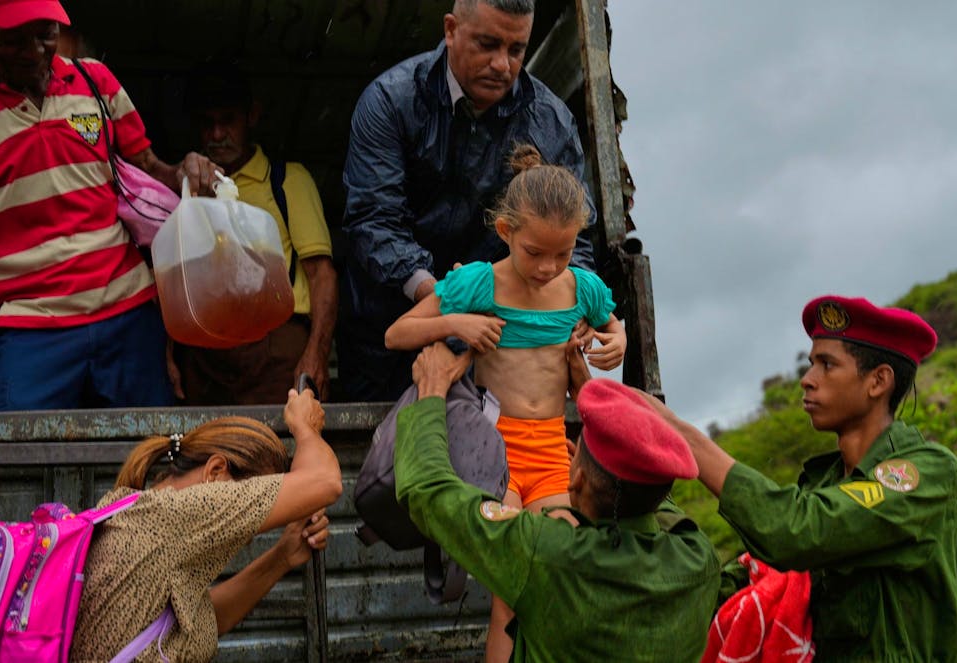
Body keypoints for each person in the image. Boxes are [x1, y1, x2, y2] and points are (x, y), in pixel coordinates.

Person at [385, 144, 625, 660]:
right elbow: (397, 334)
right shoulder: (479, 282)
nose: (547, 267)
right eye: (534, 252)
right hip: (493, 454)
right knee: (510, 592)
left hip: (554, 456)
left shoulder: (581, 287)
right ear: (505, 233)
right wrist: (456, 322)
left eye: (561, 254)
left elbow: (613, 323)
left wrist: (619, 338)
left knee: (556, 579)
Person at [647, 295, 957, 661]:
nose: (807, 380)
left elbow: (797, 530)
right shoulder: (822, 485)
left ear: (878, 381)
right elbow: (728, 590)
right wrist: (644, 497)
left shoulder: (927, 472)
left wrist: (681, 437)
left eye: (827, 365)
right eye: (812, 363)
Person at [394, 341, 721, 662]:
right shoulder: (698, 559)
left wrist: (432, 391)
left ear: (576, 480)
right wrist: (597, 439)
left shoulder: (544, 552)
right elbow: (647, 492)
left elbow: (426, 489)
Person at [339, 0, 599, 401]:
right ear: (450, 29)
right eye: (487, 44)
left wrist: (577, 302)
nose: (502, 65)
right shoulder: (389, 101)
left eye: (516, 50)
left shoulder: (551, 122)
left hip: (500, 336)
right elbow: (374, 220)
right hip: (385, 327)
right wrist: (446, 298)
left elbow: (575, 237)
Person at [0, 0, 220, 411]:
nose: (34, 51)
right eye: (14, 40)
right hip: (30, 324)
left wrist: (186, 169)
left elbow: (150, 167)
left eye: (45, 34)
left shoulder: (95, 80)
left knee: (156, 451)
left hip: (126, 310)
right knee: (19, 462)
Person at [70, 385, 343, 662]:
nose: (248, 535)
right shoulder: (176, 513)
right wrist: (305, 427)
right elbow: (325, 481)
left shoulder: (133, 507)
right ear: (215, 472)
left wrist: (281, 557)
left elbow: (203, 624)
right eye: (250, 509)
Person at [168, 64, 339, 403]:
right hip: (206, 356)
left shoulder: (287, 180)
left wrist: (316, 354)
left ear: (252, 116)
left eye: (227, 120)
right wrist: (169, 354)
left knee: (276, 451)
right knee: (208, 453)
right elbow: (175, 284)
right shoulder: (187, 191)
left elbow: (322, 275)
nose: (217, 135)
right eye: (207, 124)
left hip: (275, 351)